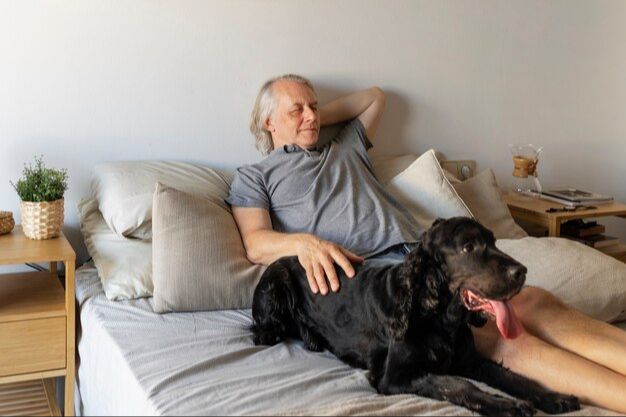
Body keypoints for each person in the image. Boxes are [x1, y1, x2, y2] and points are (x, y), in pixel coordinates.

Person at [226, 74, 626, 413]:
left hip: (429, 257)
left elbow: (374, 98)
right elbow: (256, 243)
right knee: (507, 339)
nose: (311, 115)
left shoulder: (344, 147)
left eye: (314, 105)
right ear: (267, 122)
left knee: (533, 300)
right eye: (296, 110)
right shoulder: (255, 177)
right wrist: (306, 244)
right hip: (381, 278)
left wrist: (310, 120)